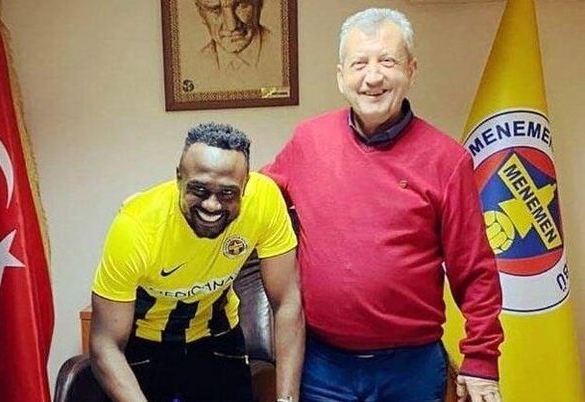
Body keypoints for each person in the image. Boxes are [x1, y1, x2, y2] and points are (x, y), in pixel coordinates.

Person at [262, 8, 504, 402]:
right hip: (323, 365)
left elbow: (475, 270)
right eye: (359, 64)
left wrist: (481, 360)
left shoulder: (448, 160)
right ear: (341, 76)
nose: (373, 77)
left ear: (411, 70)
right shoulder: (309, 141)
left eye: (387, 61)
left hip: (411, 367)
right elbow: (255, 198)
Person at [90, 122, 304, 402]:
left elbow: (287, 302)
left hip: (217, 336)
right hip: (144, 345)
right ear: (179, 178)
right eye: (199, 190)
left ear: (245, 186)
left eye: (227, 193)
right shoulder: (135, 227)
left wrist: (287, 400)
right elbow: (105, 345)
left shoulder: (264, 200)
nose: (212, 205)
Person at [194, 0, 271, 73]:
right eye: (215, 10)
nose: (232, 26)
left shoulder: (276, 48)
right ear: (201, 13)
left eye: (241, 5)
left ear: (260, 2)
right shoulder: (196, 63)